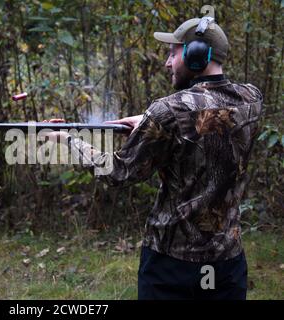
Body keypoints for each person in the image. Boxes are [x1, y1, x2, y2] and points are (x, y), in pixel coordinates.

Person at [45, 16, 263, 300]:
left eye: (173, 53)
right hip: (227, 265)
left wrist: (68, 139)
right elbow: (211, 117)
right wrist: (150, 124)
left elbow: (117, 172)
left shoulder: (167, 111)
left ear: (195, 54)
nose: (167, 62)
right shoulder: (252, 99)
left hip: (172, 267)